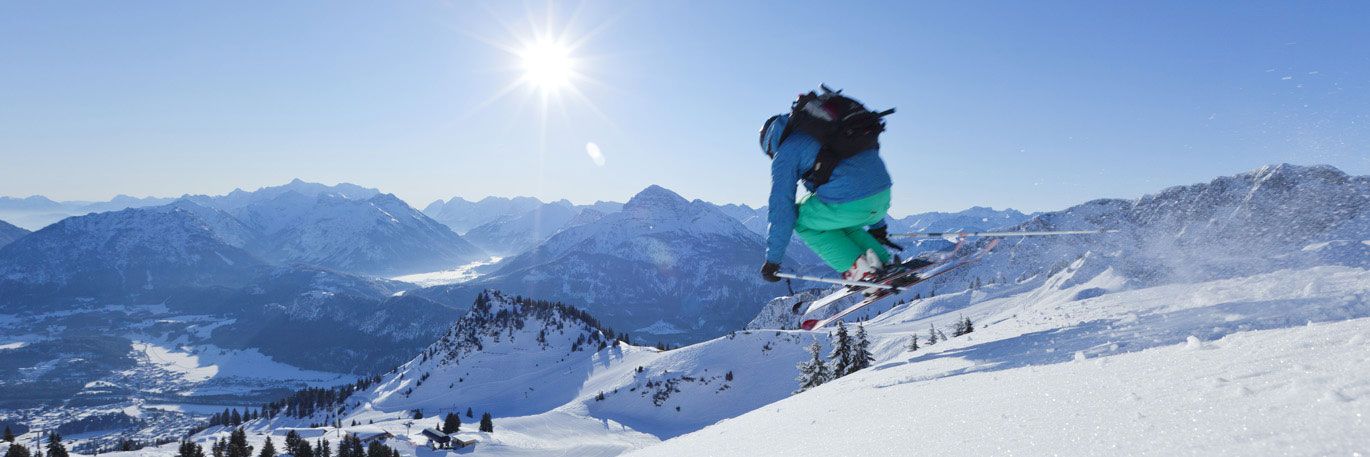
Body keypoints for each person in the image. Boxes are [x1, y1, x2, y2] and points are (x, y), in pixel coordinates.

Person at [758, 109, 900, 284]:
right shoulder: (830, 130)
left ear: (771, 145)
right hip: (883, 197)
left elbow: (782, 208)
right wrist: (878, 226)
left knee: (799, 218)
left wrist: (773, 260)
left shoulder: (787, 151)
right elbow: (862, 178)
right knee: (834, 220)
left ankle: (860, 272)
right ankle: (882, 261)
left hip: (850, 205)